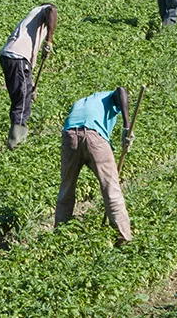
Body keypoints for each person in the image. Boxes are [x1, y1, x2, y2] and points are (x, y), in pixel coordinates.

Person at [55, 87, 134, 246]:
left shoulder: (82, 102)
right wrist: (127, 126)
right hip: (95, 136)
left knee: (66, 188)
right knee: (111, 188)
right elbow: (121, 90)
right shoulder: (108, 97)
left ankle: (59, 237)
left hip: (70, 136)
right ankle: (123, 237)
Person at [0, 3, 58, 149]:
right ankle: (16, 143)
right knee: (22, 99)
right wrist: (49, 41)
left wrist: (29, 85)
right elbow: (52, 10)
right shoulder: (45, 10)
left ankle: (16, 138)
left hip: (9, 57)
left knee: (22, 95)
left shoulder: (32, 20)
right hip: (17, 57)